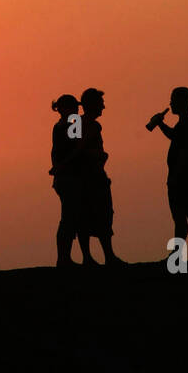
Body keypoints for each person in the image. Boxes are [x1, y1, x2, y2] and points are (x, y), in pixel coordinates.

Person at [147, 87, 188, 251]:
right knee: (184, 217)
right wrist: (160, 125)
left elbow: (182, 147)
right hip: (182, 177)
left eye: (173, 100)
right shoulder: (185, 122)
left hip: (183, 178)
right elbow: (175, 136)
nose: (170, 103)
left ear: (183, 102)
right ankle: (185, 255)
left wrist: (160, 124)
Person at [76, 88, 120, 266]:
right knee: (87, 216)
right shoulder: (78, 124)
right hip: (87, 177)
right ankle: (90, 257)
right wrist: (94, 154)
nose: (103, 106)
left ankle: (108, 255)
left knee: (104, 215)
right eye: (100, 103)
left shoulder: (91, 125)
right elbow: (76, 149)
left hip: (96, 175)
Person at [49, 94, 81, 267]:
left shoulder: (58, 126)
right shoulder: (71, 125)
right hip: (69, 176)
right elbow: (77, 148)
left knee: (68, 217)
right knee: (69, 218)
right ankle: (64, 258)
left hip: (63, 176)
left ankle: (64, 257)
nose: (77, 110)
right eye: (74, 107)